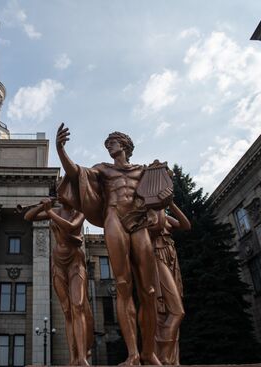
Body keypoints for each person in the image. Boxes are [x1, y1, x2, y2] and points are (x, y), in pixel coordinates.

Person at [56, 123, 164, 366]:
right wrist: (61, 149)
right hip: (114, 218)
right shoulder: (102, 170)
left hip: (138, 222)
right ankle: (133, 354)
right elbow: (75, 174)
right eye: (107, 145)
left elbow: (158, 198)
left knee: (148, 290)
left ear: (124, 145)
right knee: (123, 285)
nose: (108, 147)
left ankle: (149, 352)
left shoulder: (144, 170)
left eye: (112, 143)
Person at [24, 197, 94, 365]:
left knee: (77, 306)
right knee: (67, 311)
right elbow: (28, 217)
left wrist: (48, 212)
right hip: (58, 262)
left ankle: (83, 357)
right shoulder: (54, 211)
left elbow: (70, 227)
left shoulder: (79, 212)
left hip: (75, 261)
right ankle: (73, 358)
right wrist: (42, 206)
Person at [150, 201, 190, 365]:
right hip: (156, 257)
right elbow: (155, 229)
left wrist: (171, 203)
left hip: (171, 259)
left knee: (168, 311)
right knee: (176, 311)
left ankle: (171, 358)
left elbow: (186, 225)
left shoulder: (165, 216)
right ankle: (163, 355)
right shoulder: (149, 216)